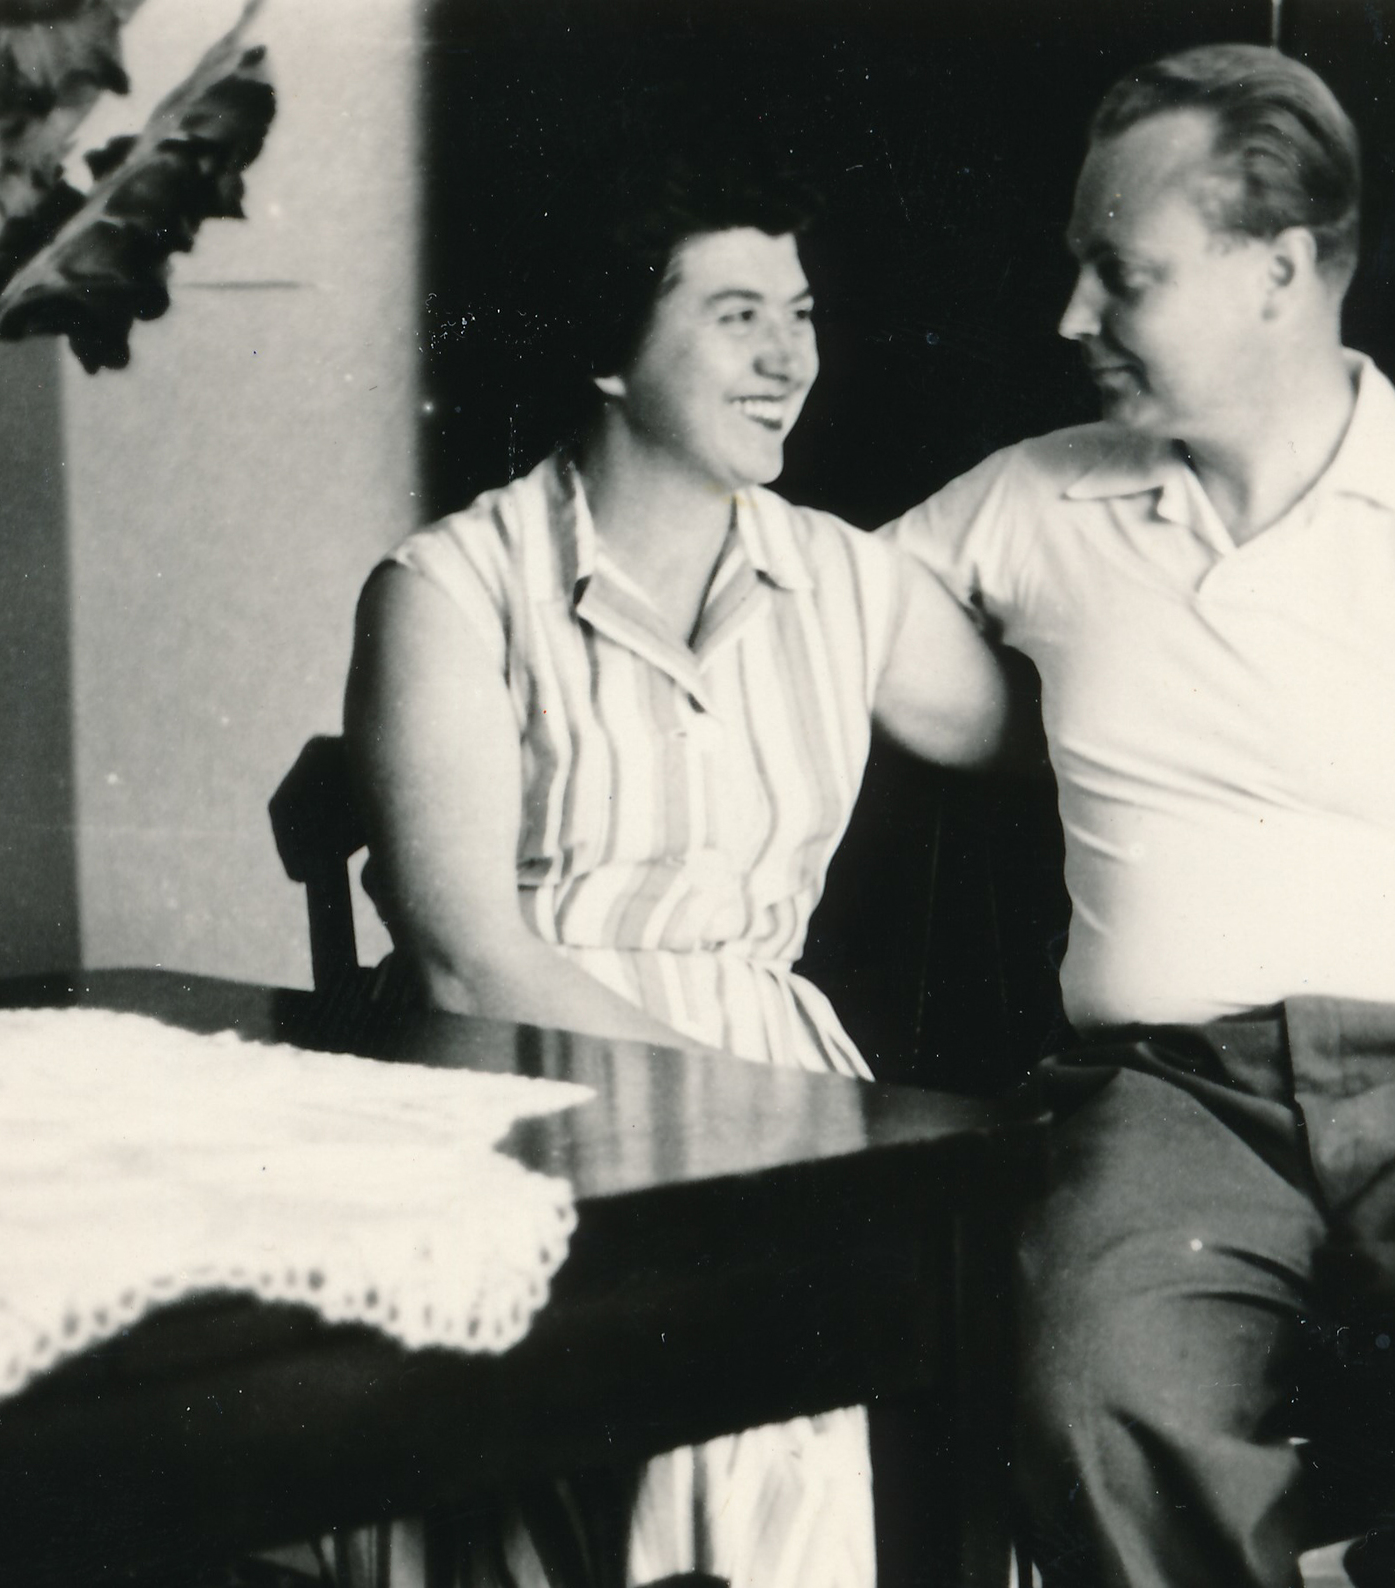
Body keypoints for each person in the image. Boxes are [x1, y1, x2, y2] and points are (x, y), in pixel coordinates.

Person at [884, 44, 1395, 1588]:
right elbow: (825, 608)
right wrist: (1026, 736)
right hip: (1172, 1102)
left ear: (1280, 271)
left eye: (1123, 276)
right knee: (1091, 1397)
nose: (1072, 317)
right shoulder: (1038, 500)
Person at [344, 146, 1008, 1588]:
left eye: (802, 314)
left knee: (817, 1379)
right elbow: (464, 956)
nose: (789, 359)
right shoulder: (451, 587)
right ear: (607, 350)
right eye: (735, 315)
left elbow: (1049, 734)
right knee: (687, 1384)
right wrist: (751, 1122)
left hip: (775, 1088)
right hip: (518, 1075)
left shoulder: (850, 582)